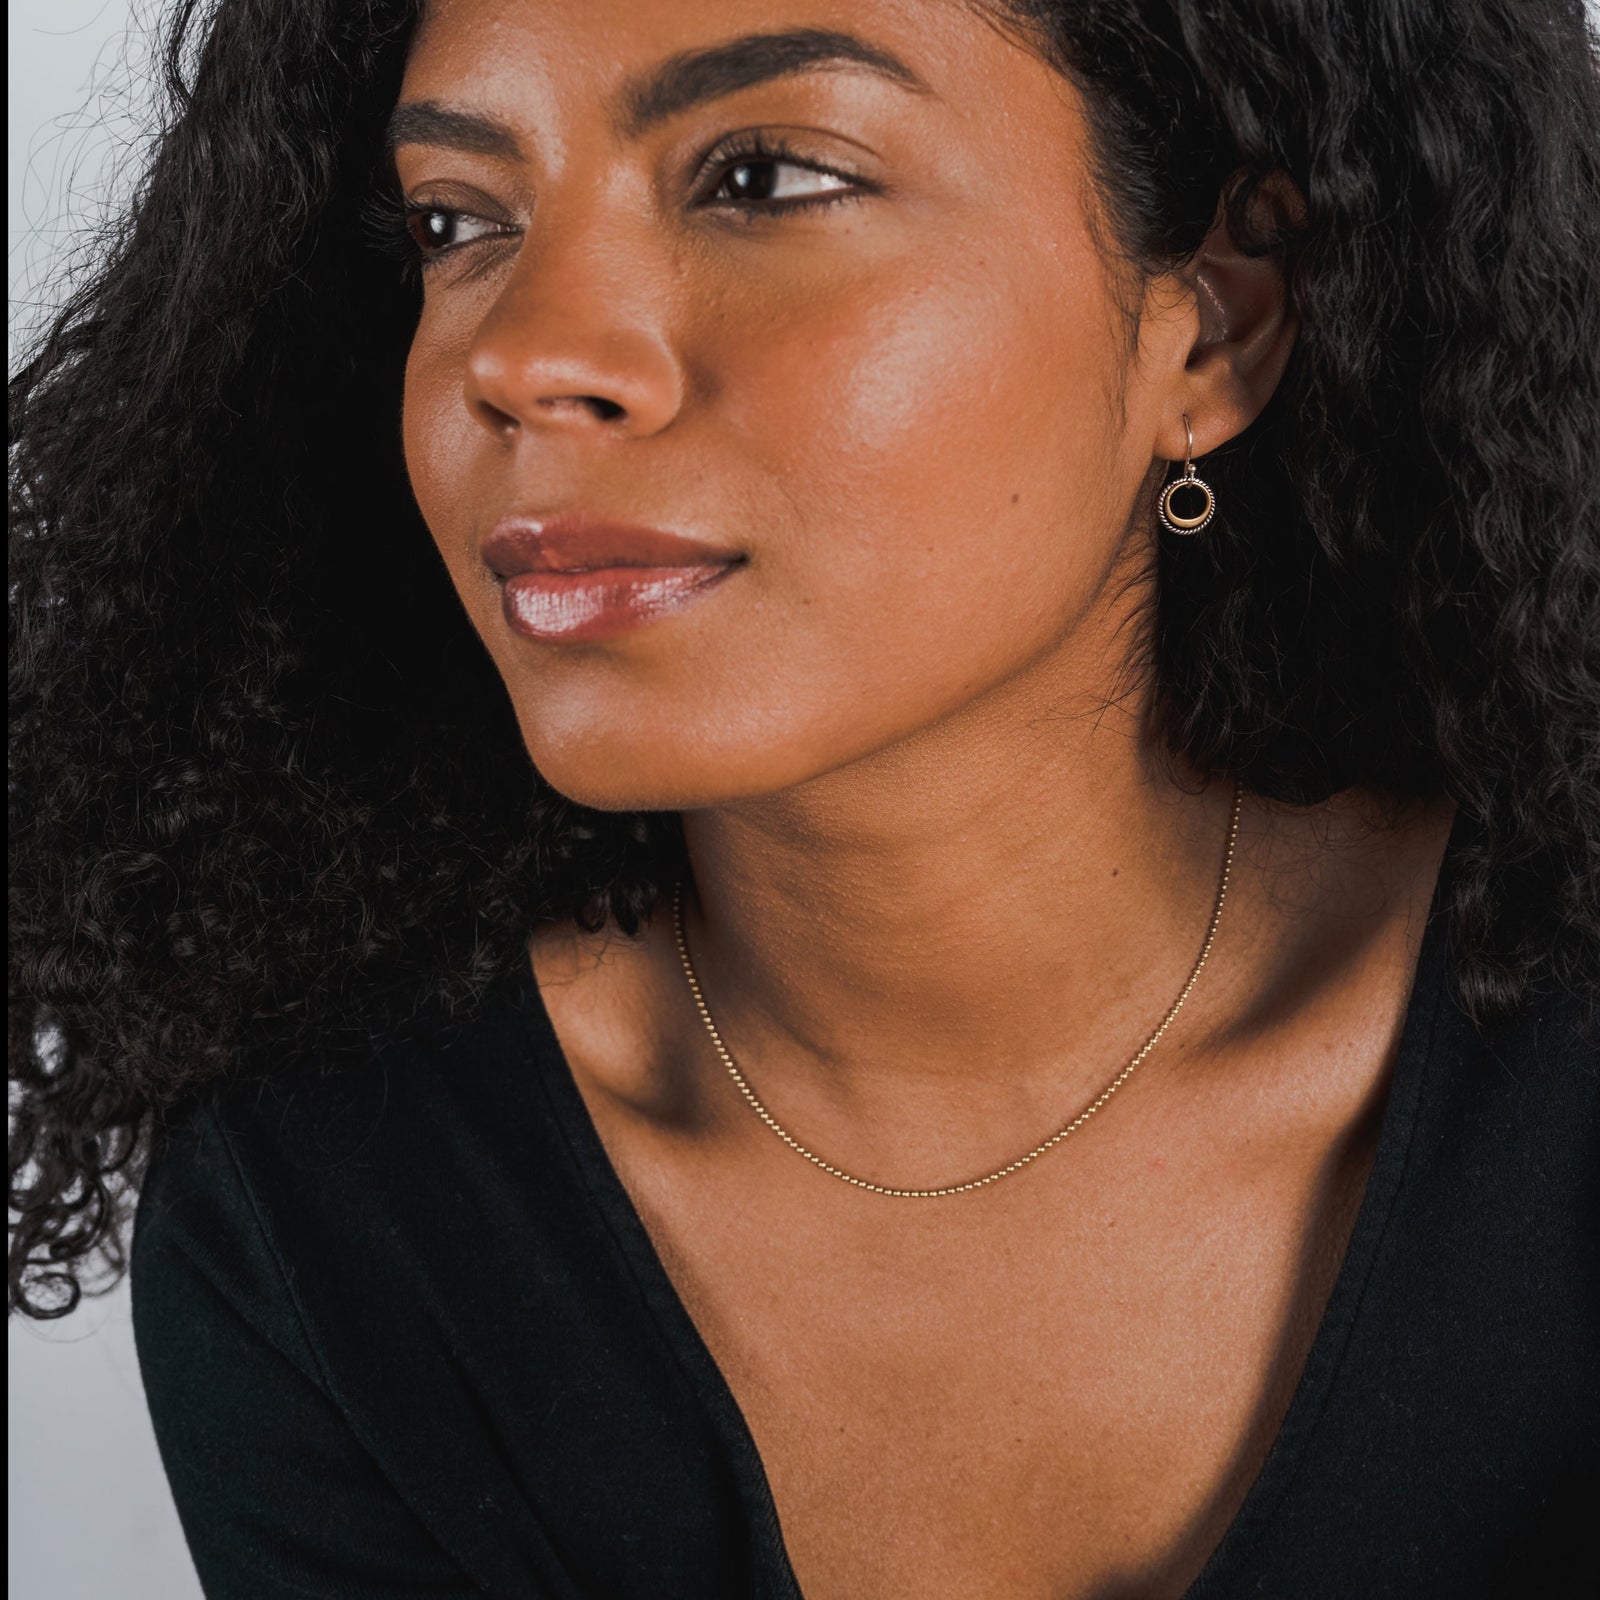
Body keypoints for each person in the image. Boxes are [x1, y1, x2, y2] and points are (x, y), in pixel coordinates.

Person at [9, 0, 1598, 1595]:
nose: (523, 355)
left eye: (764, 178)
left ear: (1215, 325)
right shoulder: (337, 1220)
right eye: (458, 222)